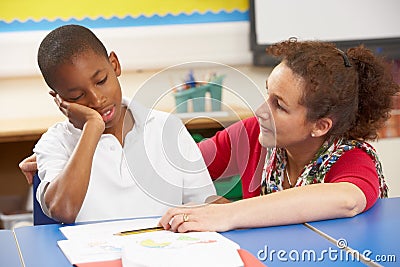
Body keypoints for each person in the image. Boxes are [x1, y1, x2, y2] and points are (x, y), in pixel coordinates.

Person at [158, 39, 399, 232]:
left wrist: (230, 213)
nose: (261, 111)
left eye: (280, 106)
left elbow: (348, 199)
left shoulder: (352, 157)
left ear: (320, 126)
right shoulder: (256, 133)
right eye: (268, 95)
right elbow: (184, 164)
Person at [27, 24, 215, 224]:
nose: (97, 100)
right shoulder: (55, 143)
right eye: (78, 96)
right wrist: (92, 127)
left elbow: (205, 206)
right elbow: (63, 209)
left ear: (114, 64)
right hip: (93, 255)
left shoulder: (167, 127)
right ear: (59, 100)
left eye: (101, 81)